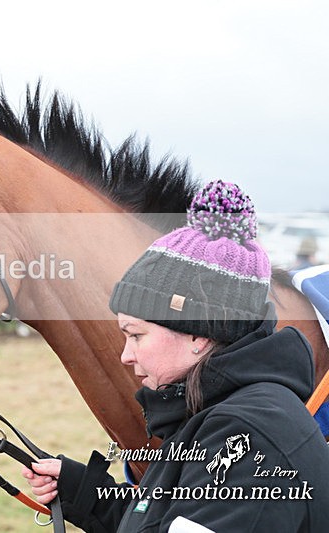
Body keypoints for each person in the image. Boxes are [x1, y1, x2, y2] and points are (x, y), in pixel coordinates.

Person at [23, 181, 329, 532]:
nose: (125, 355)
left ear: (198, 334)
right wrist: (86, 493)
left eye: (136, 335)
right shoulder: (216, 411)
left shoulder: (246, 436)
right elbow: (170, 517)